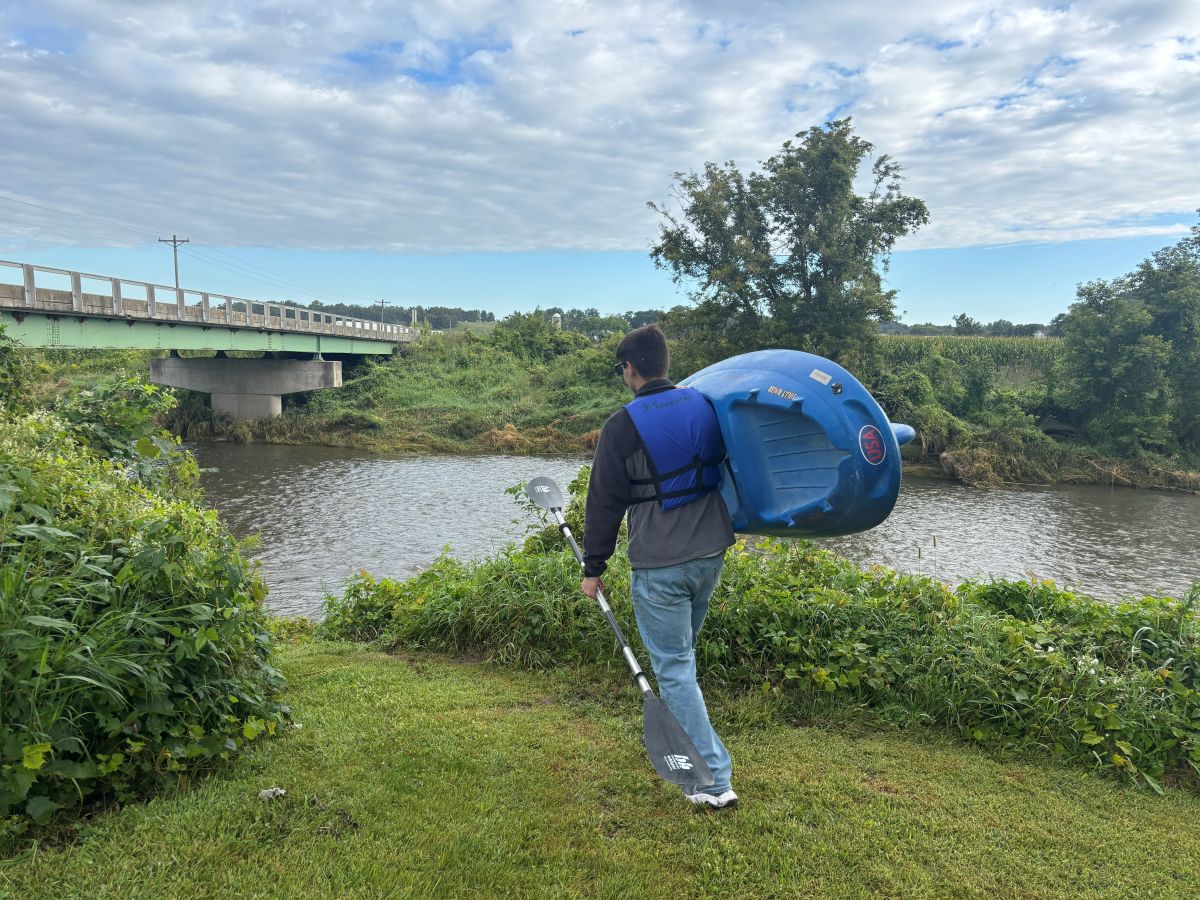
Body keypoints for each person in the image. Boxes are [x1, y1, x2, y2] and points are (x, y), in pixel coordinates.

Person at [580, 324, 737, 810]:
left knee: (673, 668)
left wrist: (593, 566)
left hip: (660, 564)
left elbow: (604, 502)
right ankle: (691, 752)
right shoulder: (706, 405)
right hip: (711, 551)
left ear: (629, 369)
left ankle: (713, 780)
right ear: (665, 362)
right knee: (682, 658)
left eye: (622, 368)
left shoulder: (622, 426)